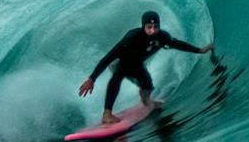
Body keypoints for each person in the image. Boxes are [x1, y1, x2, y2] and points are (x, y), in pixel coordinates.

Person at [79, 10, 214, 125]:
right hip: (121, 63)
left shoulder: (162, 36)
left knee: (148, 85)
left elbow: (176, 44)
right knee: (117, 77)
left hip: (137, 65)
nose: (153, 30)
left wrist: (199, 50)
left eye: (155, 27)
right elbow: (109, 56)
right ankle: (107, 114)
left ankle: (147, 102)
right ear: (143, 26)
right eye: (149, 27)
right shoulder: (132, 37)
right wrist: (92, 79)